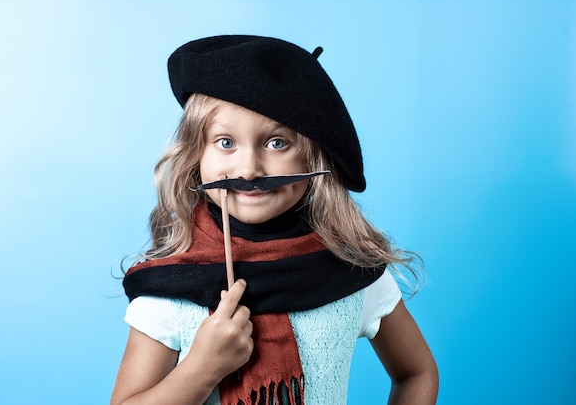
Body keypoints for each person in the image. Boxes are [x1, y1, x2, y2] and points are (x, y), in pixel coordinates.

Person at [110, 35, 439, 405]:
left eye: (277, 143)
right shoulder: (172, 284)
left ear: (313, 158)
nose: (249, 169)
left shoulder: (351, 272)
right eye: (225, 142)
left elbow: (416, 373)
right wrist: (201, 369)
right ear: (195, 154)